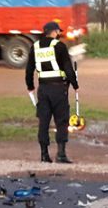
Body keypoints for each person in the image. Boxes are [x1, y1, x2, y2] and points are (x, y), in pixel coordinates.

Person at [25, 20, 79, 163]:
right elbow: (68, 68)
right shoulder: (60, 46)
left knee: (44, 122)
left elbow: (29, 70)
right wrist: (75, 84)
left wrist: (30, 86)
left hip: (43, 89)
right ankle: (61, 154)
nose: (59, 34)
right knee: (61, 121)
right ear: (54, 32)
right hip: (58, 88)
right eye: (58, 31)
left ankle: (44, 154)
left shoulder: (35, 47)